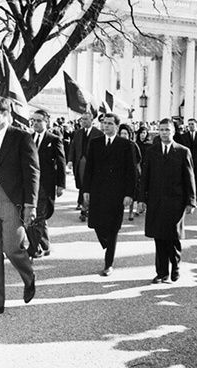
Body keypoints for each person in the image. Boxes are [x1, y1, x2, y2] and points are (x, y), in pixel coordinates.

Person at [0, 96, 38, 320]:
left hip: (12, 200)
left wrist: (30, 204)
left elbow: (32, 172)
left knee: (12, 248)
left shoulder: (21, 137)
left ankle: (29, 276)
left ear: (5, 114)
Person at [140, 118, 196, 283]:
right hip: (156, 201)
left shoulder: (183, 151)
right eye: (162, 130)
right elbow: (145, 177)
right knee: (159, 237)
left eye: (167, 130)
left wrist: (191, 201)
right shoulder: (151, 151)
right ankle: (162, 272)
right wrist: (141, 199)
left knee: (173, 236)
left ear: (173, 131)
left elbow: (189, 178)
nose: (164, 133)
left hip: (175, 202)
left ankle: (175, 265)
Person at [82, 113, 136, 276]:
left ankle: (108, 264)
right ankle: (106, 243)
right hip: (98, 191)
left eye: (110, 124)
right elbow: (89, 168)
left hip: (116, 193)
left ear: (117, 126)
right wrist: (86, 190)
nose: (106, 126)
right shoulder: (95, 143)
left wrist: (129, 194)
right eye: (104, 123)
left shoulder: (126, 145)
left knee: (113, 228)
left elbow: (131, 172)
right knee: (96, 224)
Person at [31, 109, 66, 257]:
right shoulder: (28, 138)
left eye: (39, 120)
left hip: (46, 184)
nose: (36, 123)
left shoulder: (54, 139)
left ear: (46, 122)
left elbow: (61, 162)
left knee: (39, 215)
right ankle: (44, 244)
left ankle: (34, 248)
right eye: (34, 120)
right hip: (31, 184)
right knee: (38, 216)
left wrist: (61, 184)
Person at [68, 111, 102, 221]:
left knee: (91, 186)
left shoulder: (98, 133)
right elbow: (73, 147)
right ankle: (84, 206)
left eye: (86, 119)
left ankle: (85, 209)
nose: (83, 121)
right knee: (83, 184)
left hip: (93, 164)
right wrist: (70, 160)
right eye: (82, 119)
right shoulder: (77, 133)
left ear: (92, 120)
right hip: (80, 163)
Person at [179, 118, 197, 204]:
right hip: (187, 162)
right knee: (187, 179)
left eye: (192, 124)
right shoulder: (183, 136)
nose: (191, 126)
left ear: (196, 125)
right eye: (189, 124)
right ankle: (190, 197)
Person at [118, 124, 141, 221]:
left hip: (131, 171)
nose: (123, 135)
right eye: (122, 133)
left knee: (131, 192)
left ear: (129, 134)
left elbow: (139, 158)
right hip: (120, 172)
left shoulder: (133, 145)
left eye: (125, 133)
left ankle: (131, 212)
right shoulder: (117, 144)